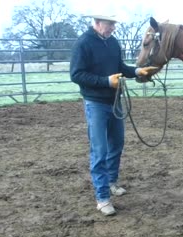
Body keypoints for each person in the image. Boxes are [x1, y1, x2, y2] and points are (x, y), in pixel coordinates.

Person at [70, 14, 157, 216]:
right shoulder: (83, 43)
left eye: (114, 25)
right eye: (110, 24)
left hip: (115, 101)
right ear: (98, 23)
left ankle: (111, 182)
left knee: (116, 145)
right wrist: (106, 82)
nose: (113, 28)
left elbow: (120, 68)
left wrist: (138, 71)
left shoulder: (113, 43)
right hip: (96, 104)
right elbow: (76, 74)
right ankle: (102, 198)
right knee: (99, 151)